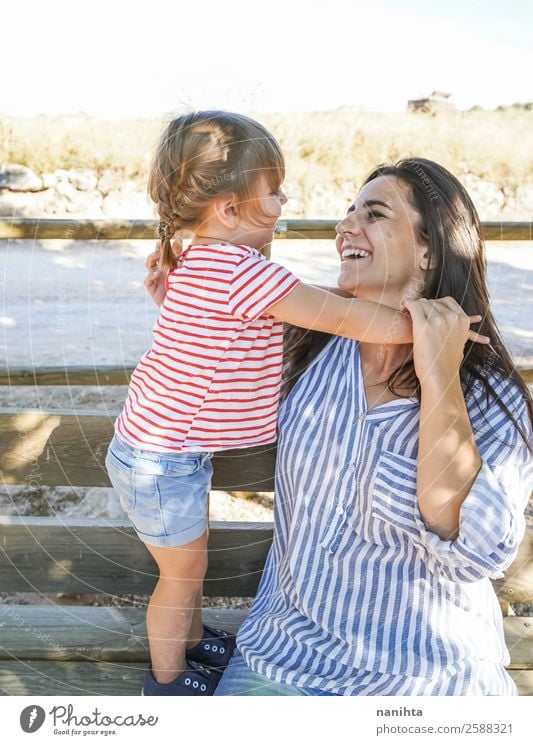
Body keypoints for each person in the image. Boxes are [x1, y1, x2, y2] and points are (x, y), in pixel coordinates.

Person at [105, 112, 488, 698]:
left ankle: (187, 638)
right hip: (163, 464)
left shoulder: (207, 263)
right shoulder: (240, 271)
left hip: (160, 455)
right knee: (181, 579)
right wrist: (430, 328)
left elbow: (225, 332)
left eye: (373, 213)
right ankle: (168, 684)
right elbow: (341, 316)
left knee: (189, 572)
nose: (287, 201)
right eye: (274, 191)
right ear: (230, 210)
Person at [210, 157, 533, 696]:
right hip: (284, 657)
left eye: (374, 214)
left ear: (431, 250)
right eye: (347, 213)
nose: (344, 228)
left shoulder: (487, 391)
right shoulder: (305, 350)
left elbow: (478, 548)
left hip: (424, 680)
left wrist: (438, 376)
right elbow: (204, 391)